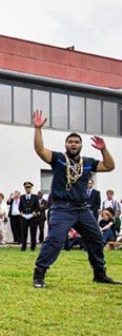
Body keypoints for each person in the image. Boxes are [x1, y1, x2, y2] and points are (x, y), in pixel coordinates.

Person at [30, 109, 120, 288]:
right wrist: (38, 129)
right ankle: (39, 274)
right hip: (61, 208)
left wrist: (104, 150)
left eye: (76, 142)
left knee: (95, 237)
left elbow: (110, 166)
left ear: (81, 145)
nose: (73, 144)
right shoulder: (58, 159)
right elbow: (40, 150)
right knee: (55, 239)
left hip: (82, 208)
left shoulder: (87, 162)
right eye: (70, 142)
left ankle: (99, 274)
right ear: (66, 145)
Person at [19, 182, 40, 251]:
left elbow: (38, 206)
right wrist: (21, 212)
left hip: (32, 217)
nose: (28, 189)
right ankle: (23, 246)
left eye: (29, 188)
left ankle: (33, 247)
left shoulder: (35, 197)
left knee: (33, 233)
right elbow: (20, 206)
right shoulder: (22, 197)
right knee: (24, 233)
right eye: (26, 188)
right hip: (24, 216)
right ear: (25, 189)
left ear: (31, 188)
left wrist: (35, 212)